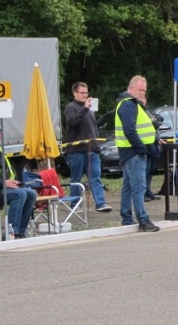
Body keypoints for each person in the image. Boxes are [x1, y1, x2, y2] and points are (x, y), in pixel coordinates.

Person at [115, 75, 160, 232]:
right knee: (139, 186)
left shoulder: (130, 103)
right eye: (140, 90)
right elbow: (129, 130)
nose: (143, 93)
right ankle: (143, 219)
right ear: (131, 88)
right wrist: (141, 148)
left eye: (144, 90)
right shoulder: (128, 104)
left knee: (129, 186)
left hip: (129, 150)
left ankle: (127, 217)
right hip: (134, 151)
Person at [63, 82, 112, 212]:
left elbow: (93, 127)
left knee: (95, 177)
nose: (85, 95)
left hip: (92, 150)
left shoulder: (90, 110)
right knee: (76, 178)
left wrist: (97, 146)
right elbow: (72, 121)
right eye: (82, 93)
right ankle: (75, 204)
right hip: (77, 150)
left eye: (86, 92)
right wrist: (85, 109)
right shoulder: (70, 107)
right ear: (75, 93)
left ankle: (100, 203)